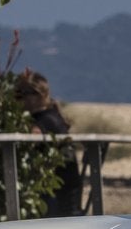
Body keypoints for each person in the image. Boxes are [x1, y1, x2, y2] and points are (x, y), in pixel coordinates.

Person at [14, 71, 83, 217]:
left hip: (57, 198)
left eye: (23, 93)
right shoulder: (52, 116)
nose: (19, 99)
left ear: (40, 95)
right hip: (64, 195)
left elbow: (31, 137)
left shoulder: (45, 120)